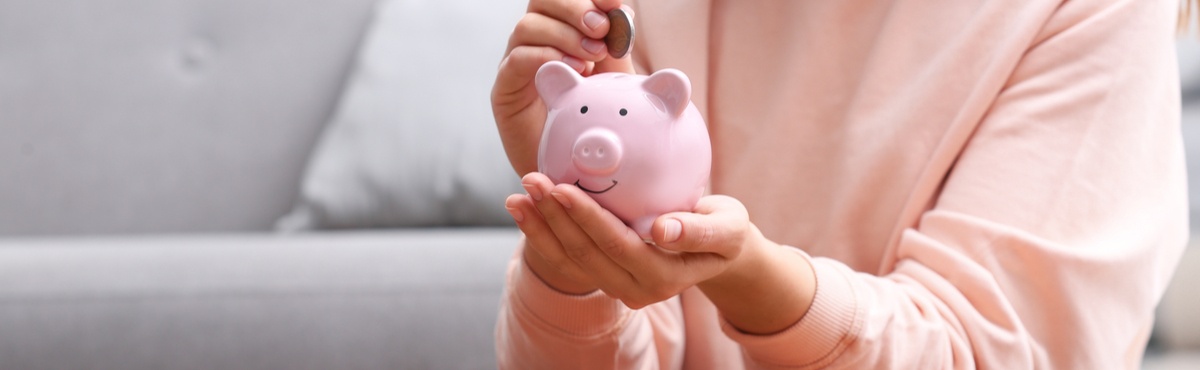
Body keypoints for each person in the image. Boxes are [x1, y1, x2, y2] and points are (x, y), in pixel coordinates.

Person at [491, 0, 1194, 368]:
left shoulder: (1094, 7)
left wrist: (753, 280)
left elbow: (992, 352)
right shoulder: (627, 16)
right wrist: (575, 260)